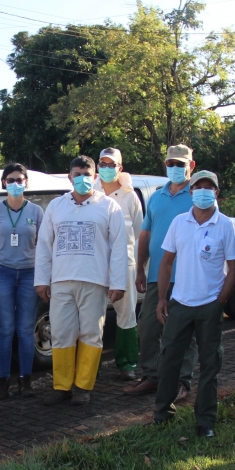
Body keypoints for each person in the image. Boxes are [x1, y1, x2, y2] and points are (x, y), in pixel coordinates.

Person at [154, 171, 235, 437]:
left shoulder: (226, 225)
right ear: (190, 192)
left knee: (209, 364)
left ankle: (205, 421)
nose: (203, 191)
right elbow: (166, 261)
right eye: (198, 187)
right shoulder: (179, 222)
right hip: (180, 303)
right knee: (169, 360)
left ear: (216, 192)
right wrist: (161, 298)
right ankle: (162, 414)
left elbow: (234, 267)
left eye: (209, 187)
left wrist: (221, 301)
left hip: (210, 305)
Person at [35, 155, 127, 406]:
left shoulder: (109, 207)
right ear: (69, 177)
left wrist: (118, 283)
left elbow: (119, 247)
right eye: (78, 174)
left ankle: (83, 387)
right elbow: (44, 246)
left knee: (90, 333)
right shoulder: (56, 206)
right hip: (61, 281)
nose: (83, 179)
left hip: (94, 280)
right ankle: (62, 385)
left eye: (87, 175)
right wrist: (42, 280)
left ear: (95, 177)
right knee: (62, 333)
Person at [124, 144, 199, 401]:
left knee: (183, 331)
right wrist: (141, 270)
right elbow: (145, 235)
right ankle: (153, 376)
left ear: (191, 166)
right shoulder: (156, 197)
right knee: (147, 327)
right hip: (158, 275)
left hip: (188, 276)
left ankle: (182, 381)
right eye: (171, 164)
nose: (175, 168)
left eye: (181, 164)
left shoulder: (198, 195)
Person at [0, 164, 44, 400]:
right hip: (0, 273)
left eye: (20, 179)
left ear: (26, 182)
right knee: (5, 329)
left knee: (26, 330)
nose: (16, 183)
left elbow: (45, 246)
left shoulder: (36, 211)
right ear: (3, 183)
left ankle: (26, 381)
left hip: (29, 273)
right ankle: (3, 382)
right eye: (10, 179)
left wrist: (45, 278)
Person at [93, 148, 143, 381]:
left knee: (126, 312)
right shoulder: (91, 192)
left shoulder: (130, 196)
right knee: (93, 315)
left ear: (119, 168)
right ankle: (92, 365)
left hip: (125, 264)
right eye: (102, 163)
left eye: (111, 164)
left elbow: (138, 231)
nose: (105, 168)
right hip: (96, 264)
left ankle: (126, 363)